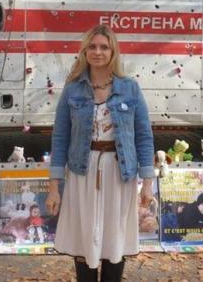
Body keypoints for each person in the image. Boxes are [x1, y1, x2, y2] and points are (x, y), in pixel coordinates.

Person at [45, 24, 155, 282]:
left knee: (114, 239)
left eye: (104, 47)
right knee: (85, 238)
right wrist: (53, 187)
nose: (98, 52)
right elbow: (60, 138)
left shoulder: (130, 89)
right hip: (82, 172)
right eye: (92, 47)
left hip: (119, 174)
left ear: (113, 52)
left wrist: (148, 184)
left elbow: (144, 137)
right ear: (84, 52)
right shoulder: (73, 89)